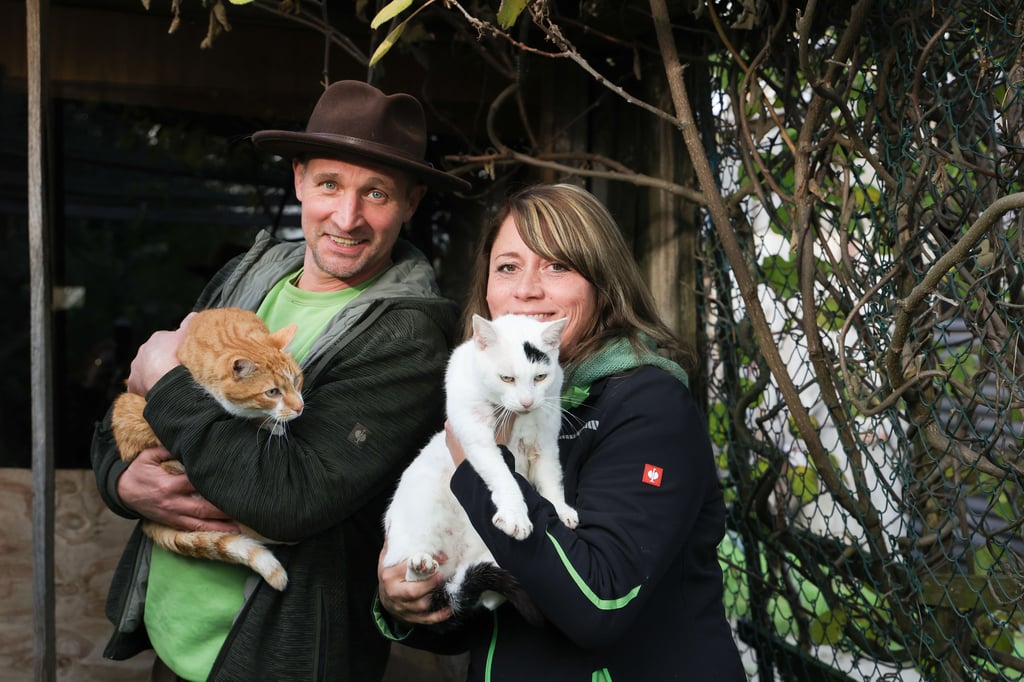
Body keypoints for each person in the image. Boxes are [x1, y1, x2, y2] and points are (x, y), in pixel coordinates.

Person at [91, 80, 470, 682]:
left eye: (376, 193)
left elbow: (289, 500)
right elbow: (126, 413)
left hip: (272, 657)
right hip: (172, 635)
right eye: (329, 185)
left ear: (412, 202)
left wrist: (168, 384)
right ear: (298, 179)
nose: (348, 218)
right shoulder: (248, 275)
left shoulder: (410, 337)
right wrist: (122, 483)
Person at [375, 183, 746, 681]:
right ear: (486, 287)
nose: (527, 289)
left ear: (603, 283)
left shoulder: (649, 407)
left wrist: (481, 471)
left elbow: (598, 603)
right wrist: (407, 600)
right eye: (508, 267)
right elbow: (491, 602)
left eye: (557, 266)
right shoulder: (493, 400)